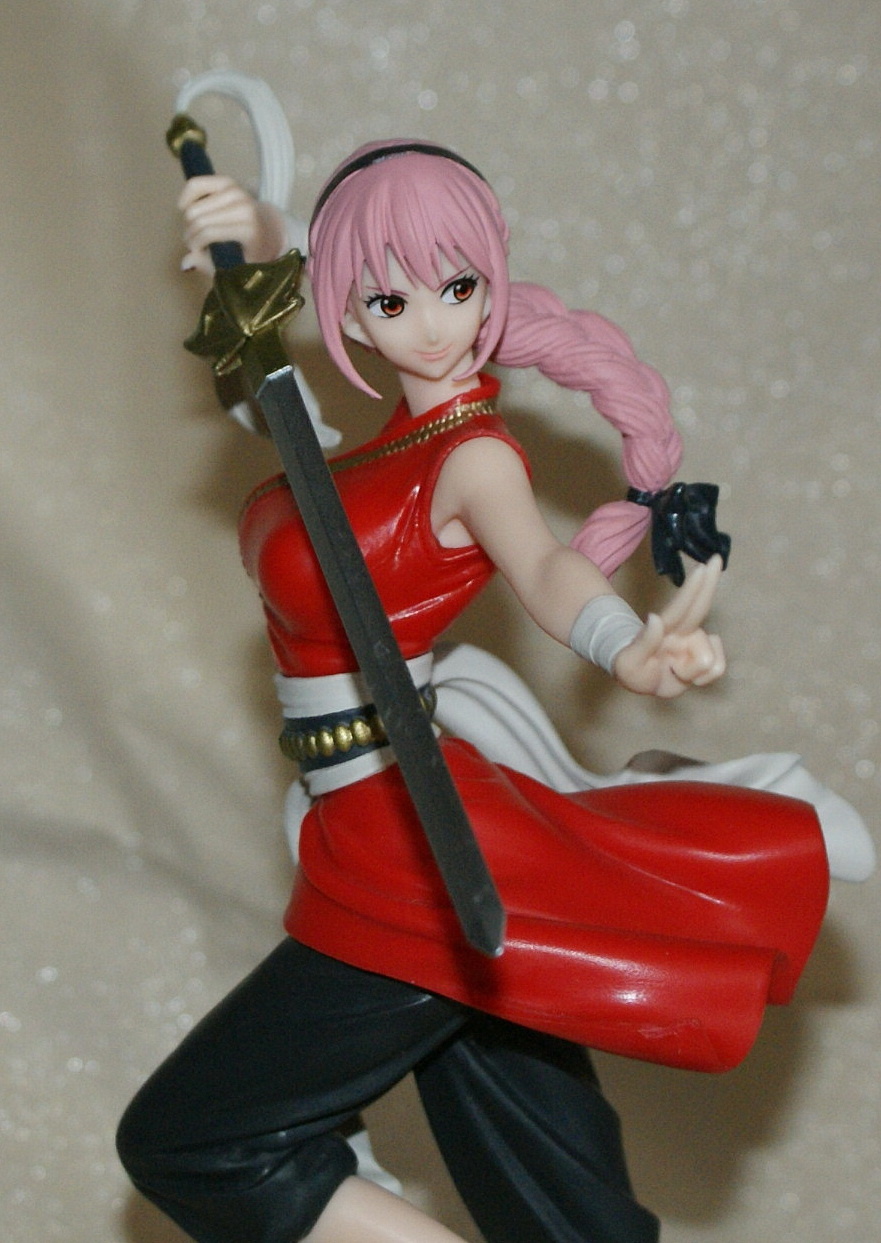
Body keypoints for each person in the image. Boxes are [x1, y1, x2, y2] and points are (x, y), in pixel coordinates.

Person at [117, 141, 830, 1243]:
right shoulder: (369, 450)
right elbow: (298, 316)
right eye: (390, 300)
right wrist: (255, 232)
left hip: (410, 845)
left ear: (491, 284)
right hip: (365, 819)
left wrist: (624, 647)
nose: (432, 323)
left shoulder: (474, 456)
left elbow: (542, 567)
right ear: (350, 313)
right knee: (548, 1179)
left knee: (197, 1138)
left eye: (458, 288)